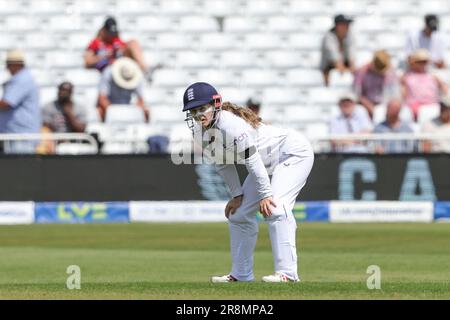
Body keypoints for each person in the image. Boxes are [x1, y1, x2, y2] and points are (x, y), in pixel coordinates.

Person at [182, 82, 314, 283]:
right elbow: (222, 164)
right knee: (239, 214)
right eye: (193, 111)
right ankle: (241, 275)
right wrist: (237, 195)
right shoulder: (199, 132)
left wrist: (266, 195)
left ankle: (288, 274)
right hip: (265, 164)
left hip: (292, 153)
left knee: (275, 208)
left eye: (202, 109)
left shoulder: (231, 125)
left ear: (216, 104)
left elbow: (252, 160)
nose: (199, 116)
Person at [0, 49, 41, 154]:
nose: (8, 69)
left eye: (9, 65)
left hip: (21, 137)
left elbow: (6, 103)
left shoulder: (22, 79)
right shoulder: (22, 79)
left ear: (15, 64)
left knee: (20, 169)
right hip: (16, 135)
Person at [97, 57, 149, 122]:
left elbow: (140, 100)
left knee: (146, 112)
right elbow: (102, 98)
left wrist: (133, 111)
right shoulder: (108, 73)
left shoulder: (136, 75)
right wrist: (114, 112)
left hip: (128, 108)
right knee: (100, 111)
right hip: (110, 107)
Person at [400, 49, 448, 119]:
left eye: (424, 62)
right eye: (420, 62)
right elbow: (402, 94)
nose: (422, 64)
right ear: (414, 63)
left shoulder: (433, 75)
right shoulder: (406, 76)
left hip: (433, 106)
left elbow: (445, 89)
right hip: (414, 108)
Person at [353, 50, 400, 118]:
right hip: (366, 106)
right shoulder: (361, 72)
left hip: (384, 105)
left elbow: (395, 94)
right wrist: (368, 105)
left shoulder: (390, 73)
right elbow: (357, 94)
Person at [320, 14, 356, 86]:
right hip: (329, 70)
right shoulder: (328, 38)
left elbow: (351, 59)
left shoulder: (349, 35)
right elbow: (337, 62)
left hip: (343, 67)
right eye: (345, 25)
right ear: (338, 26)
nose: (347, 27)